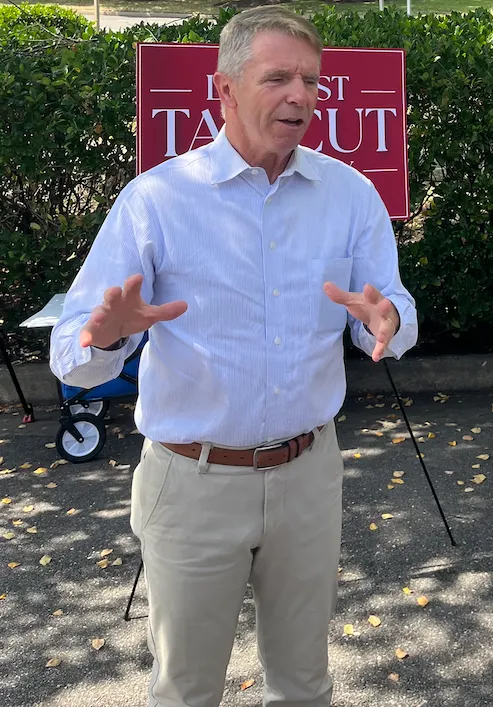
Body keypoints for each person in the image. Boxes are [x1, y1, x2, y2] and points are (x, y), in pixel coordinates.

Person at [49, 7, 417, 706]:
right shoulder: (155, 201)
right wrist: (109, 337)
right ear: (224, 90)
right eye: (277, 77)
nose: (300, 96)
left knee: (305, 684)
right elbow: (71, 358)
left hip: (309, 472)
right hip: (192, 480)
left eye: (311, 80)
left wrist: (389, 317)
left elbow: (394, 311)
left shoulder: (350, 195)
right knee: (185, 689)